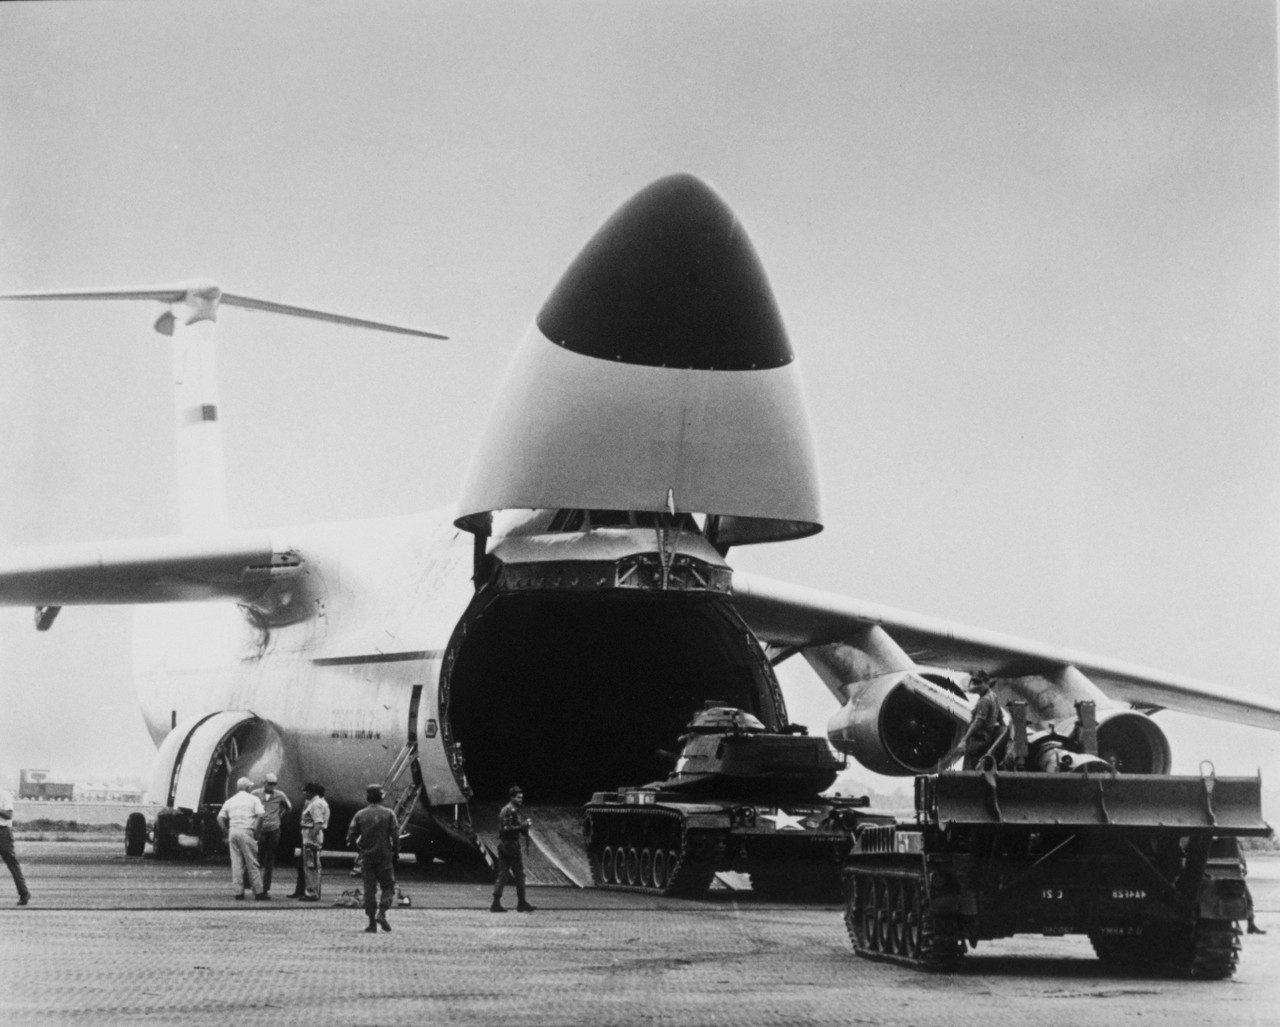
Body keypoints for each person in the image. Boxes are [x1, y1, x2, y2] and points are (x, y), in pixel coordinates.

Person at [346, 784, 398, 932]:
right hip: (384, 856)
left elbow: (351, 836)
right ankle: (381, 913)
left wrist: (360, 849)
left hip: (367, 857)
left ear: (368, 798)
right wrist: (395, 852)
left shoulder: (360, 814)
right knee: (388, 887)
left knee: (369, 890)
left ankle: (371, 924)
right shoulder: (389, 813)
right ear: (381, 797)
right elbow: (395, 835)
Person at [216, 777, 266, 901]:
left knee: (236, 863)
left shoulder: (230, 801)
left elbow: (220, 818)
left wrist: (226, 832)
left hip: (233, 831)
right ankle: (258, 892)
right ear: (248, 787)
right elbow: (261, 816)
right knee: (252, 862)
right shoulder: (254, 799)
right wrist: (256, 832)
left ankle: (238, 892)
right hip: (247, 831)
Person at [491, 785, 535, 913]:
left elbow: (509, 828)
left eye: (521, 797)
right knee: (519, 876)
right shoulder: (511, 810)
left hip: (504, 845)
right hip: (511, 846)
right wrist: (523, 826)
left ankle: (495, 903)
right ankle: (521, 903)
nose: (521, 799)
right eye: (518, 797)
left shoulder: (507, 809)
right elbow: (507, 828)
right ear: (512, 797)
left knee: (503, 875)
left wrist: (522, 827)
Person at [250, 772, 292, 897]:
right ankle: (255, 885)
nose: (272, 786)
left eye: (274, 784)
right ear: (264, 783)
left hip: (273, 829)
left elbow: (289, 807)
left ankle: (265, 887)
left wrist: (279, 816)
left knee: (270, 858)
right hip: (260, 829)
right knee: (256, 857)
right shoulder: (255, 793)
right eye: (270, 784)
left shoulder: (280, 795)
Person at [957, 671, 1004, 771]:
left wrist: (964, 739)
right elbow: (1000, 717)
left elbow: (978, 722)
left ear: (986, 683)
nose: (976, 686)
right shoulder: (993, 696)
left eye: (979, 683)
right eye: (975, 683)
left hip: (979, 739)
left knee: (969, 767)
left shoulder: (985, 700)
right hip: (987, 738)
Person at [295, 782, 330, 902]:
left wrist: (311, 839)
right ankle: (313, 891)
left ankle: (311, 892)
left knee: (311, 867)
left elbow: (318, 823)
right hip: (312, 837)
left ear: (311, 792)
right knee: (313, 866)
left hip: (311, 838)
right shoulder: (319, 802)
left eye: (306, 791)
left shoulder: (316, 804)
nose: (305, 793)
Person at [0, 785, 30, 906]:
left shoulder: (4, 794)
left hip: (3, 832)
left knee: (12, 864)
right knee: (13, 865)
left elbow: (9, 815)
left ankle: (24, 893)